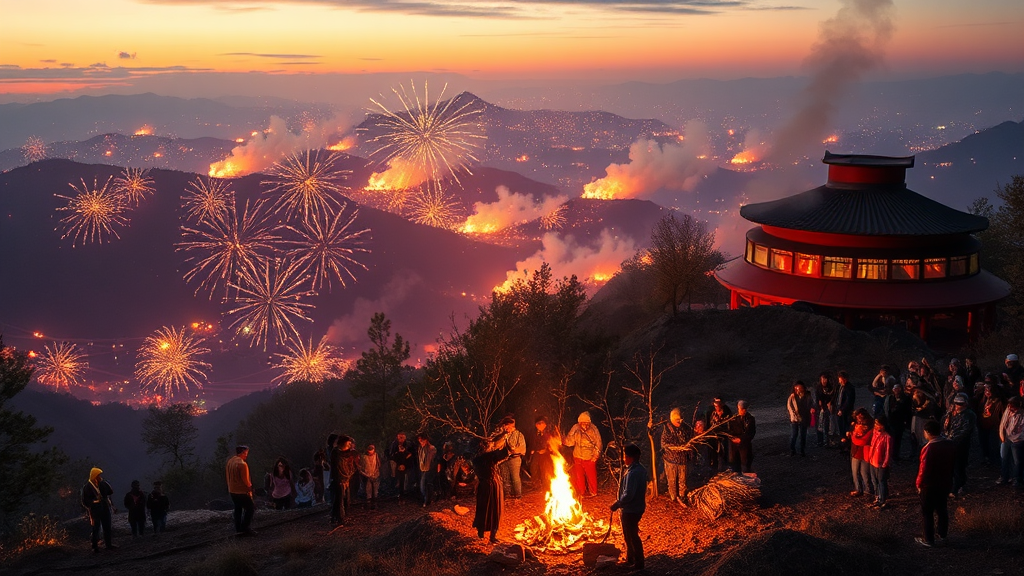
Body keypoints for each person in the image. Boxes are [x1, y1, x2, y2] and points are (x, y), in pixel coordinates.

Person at [916, 420, 956, 548]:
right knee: (942, 509)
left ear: (927, 432)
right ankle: (942, 534)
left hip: (930, 485)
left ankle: (928, 539)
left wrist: (919, 484)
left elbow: (924, 469)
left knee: (927, 512)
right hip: (945, 482)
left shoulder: (929, 448)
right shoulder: (949, 444)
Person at [610, 444, 648, 570]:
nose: (623, 459)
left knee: (631, 536)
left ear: (629, 457)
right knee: (631, 534)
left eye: (625, 456)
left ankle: (638, 563)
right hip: (638, 507)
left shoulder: (632, 473)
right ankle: (631, 559)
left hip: (631, 509)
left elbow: (629, 494)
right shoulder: (641, 469)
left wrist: (618, 503)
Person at [472, 439, 511, 543]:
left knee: (482, 508)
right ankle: (492, 536)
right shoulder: (489, 456)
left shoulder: (475, 459)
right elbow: (505, 453)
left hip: (482, 486)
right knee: (494, 509)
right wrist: (506, 438)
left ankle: (481, 532)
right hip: (492, 485)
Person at [942, 393, 976, 497]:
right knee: (951, 465)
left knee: (959, 465)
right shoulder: (951, 414)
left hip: (961, 444)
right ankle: (954, 484)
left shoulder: (969, 415)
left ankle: (958, 486)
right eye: (956, 403)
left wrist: (954, 439)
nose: (958, 406)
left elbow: (966, 430)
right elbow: (944, 425)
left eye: (960, 404)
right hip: (950, 442)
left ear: (965, 404)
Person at [564, 411, 602, 497]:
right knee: (579, 476)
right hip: (577, 456)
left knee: (591, 476)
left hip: (589, 457)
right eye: (582, 423)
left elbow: (598, 443)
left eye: (586, 423)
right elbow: (571, 441)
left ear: (589, 422)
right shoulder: (575, 428)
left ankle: (593, 492)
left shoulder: (593, 429)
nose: (584, 425)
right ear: (579, 422)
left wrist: (595, 456)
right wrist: (564, 441)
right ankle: (581, 492)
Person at [82, 467, 117, 552]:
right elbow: (84, 500)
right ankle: (94, 546)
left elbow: (110, 492)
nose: (100, 476)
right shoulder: (87, 487)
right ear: (95, 475)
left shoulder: (102, 484)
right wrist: (93, 503)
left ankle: (108, 544)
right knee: (96, 528)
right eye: (98, 475)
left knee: (107, 526)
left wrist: (105, 483)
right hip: (95, 510)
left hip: (105, 507)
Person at [661, 407, 691, 504]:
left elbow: (690, 439)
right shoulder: (667, 429)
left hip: (682, 460)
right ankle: (673, 497)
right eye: (678, 420)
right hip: (671, 460)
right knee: (672, 480)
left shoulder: (685, 428)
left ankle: (682, 496)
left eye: (681, 419)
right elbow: (664, 443)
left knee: (683, 480)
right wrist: (677, 448)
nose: (680, 422)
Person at [226, 445, 256, 536]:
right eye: (246, 453)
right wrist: (250, 489)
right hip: (241, 491)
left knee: (238, 509)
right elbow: (246, 480)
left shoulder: (230, 461)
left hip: (232, 490)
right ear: (243, 452)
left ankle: (238, 528)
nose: (246, 455)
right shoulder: (242, 464)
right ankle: (245, 528)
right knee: (250, 508)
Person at [496, 416, 527, 499]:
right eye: (506, 425)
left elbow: (522, 448)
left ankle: (518, 495)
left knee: (515, 477)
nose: (508, 427)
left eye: (510, 425)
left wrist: (513, 451)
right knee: (504, 477)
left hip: (515, 458)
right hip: (502, 459)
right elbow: (497, 446)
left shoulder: (519, 435)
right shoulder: (501, 435)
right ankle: (506, 494)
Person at [997, 396, 1024, 485]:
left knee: (1017, 461)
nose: (1009, 409)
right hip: (1006, 438)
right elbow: (1003, 423)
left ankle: (1016, 478)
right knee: (1004, 458)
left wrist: (1018, 439)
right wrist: (1002, 435)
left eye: (1012, 407)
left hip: (1017, 440)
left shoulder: (1022, 414)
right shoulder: (1008, 411)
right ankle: (1004, 476)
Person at [331, 436, 358, 524]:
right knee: (339, 499)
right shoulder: (335, 453)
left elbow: (354, 466)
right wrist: (339, 479)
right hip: (339, 479)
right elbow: (335, 467)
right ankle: (339, 517)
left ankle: (343, 516)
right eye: (348, 442)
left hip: (347, 478)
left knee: (346, 498)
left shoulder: (351, 453)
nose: (350, 444)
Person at [848, 408, 874, 497]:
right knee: (855, 472)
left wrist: (854, 437)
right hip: (855, 451)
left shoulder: (870, 427)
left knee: (864, 472)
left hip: (865, 452)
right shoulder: (855, 425)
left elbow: (864, 440)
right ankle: (858, 489)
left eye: (860, 417)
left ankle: (868, 490)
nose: (859, 419)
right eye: (857, 417)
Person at [869, 416, 893, 508]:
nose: (876, 426)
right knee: (874, 480)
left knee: (881, 481)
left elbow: (888, 451)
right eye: (875, 424)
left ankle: (882, 499)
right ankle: (878, 496)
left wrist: (885, 463)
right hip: (873, 460)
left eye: (878, 424)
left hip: (880, 463)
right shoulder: (875, 433)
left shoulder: (887, 437)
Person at [704, 398, 733, 471]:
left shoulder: (726, 412)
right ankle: (713, 469)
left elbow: (729, 424)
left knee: (723, 452)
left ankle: (724, 468)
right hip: (712, 436)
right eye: (715, 405)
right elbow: (707, 423)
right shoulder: (710, 412)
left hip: (723, 436)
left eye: (718, 405)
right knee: (713, 453)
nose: (716, 407)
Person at [729, 400, 756, 473]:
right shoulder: (733, 418)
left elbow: (751, 433)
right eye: (741, 409)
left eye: (744, 409)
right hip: (734, 445)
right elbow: (729, 430)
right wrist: (732, 438)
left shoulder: (750, 419)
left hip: (745, 445)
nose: (743, 411)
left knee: (746, 463)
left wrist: (741, 439)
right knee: (735, 464)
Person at [787, 381, 813, 456]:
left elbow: (811, 403)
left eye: (800, 387)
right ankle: (792, 449)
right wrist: (794, 415)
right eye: (797, 387)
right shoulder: (792, 396)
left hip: (804, 417)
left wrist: (811, 409)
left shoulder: (807, 395)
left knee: (803, 435)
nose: (798, 389)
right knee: (794, 434)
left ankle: (802, 450)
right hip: (795, 419)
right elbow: (790, 407)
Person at [529, 416, 556, 487]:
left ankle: (547, 484)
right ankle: (536, 484)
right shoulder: (533, 434)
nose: (541, 425)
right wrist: (534, 450)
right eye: (539, 424)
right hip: (536, 453)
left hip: (546, 455)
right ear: (536, 425)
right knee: (534, 468)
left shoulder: (548, 433)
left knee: (545, 469)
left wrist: (546, 450)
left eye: (542, 424)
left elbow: (551, 444)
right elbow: (531, 443)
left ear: (545, 425)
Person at [814, 372, 837, 447]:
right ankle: (819, 441)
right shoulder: (818, 388)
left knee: (829, 424)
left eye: (825, 379)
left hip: (829, 407)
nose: (824, 380)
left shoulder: (831, 387)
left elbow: (833, 396)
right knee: (820, 424)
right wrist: (820, 406)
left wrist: (830, 403)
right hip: (821, 408)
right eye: (822, 379)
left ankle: (828, 440)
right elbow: (818, 398)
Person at [359, 444, 383, 509]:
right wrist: (365, 474)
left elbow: (379, 465)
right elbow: (361, 467)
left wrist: (376, 473)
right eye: (369, 452)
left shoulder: (376, 456)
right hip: (367, 475)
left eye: (372, 451)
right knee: (368, 489)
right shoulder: (364, 457)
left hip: (375, 475)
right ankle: (369, 503)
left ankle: (375, 501)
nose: (371, 453)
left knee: (375, 490)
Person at [417, 433, 438, 507]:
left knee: (424, 485)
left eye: (422, 440)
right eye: (419, 440)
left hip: (428, 469)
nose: (421, 441)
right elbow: (420, 459)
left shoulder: (431, 448)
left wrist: (431, 468)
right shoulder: (420, 448)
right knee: (423, 485)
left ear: (426, 440)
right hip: (422, 468)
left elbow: (431, 460)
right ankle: (428, 499)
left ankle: (427, 500)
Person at [836, 371, 856, 443]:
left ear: (845, 379)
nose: (840, 381)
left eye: (841, 380)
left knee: (846, 426)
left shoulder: (849, 388)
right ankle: (842, 442)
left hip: (846, 411)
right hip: (840, 409)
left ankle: (847, 443)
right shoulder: (840, 387)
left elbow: (849, 401)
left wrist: (842, 409)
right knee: (841, 426)